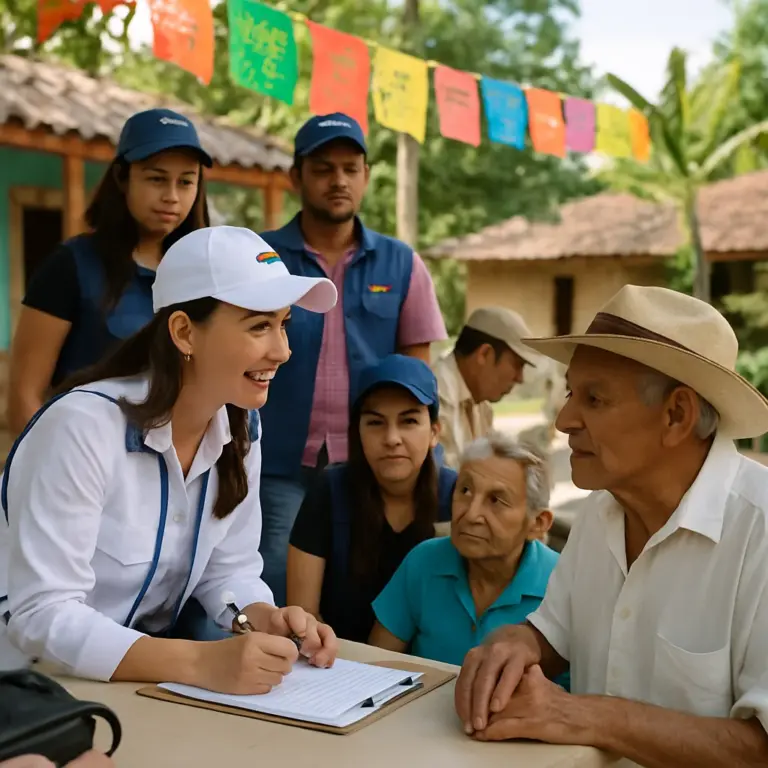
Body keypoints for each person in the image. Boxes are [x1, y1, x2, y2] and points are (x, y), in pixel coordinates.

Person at [1, 226, 339, 693]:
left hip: (125, 689)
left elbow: (229, 569)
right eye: (259, 326)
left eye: (283, 324)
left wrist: (262, 618)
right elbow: (41, 615)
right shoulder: (81, 427)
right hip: (27, 692)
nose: (283, 351)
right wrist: (201, 663)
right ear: (183, 332)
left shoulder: (241, 428)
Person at [454, 285, 768, 768]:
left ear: (676, 415)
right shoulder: (602, 509)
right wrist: (515, 642)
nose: (564, 420)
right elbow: (553, 635)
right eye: (570, 393)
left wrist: (582, 715)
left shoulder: (759, 530)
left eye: (594, 399)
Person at [256, 113, 448, 605]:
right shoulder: (261, 258)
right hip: (277, 463)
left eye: (350, 168)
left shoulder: (402, 263)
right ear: (296, 177)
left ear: (366, 176)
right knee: (279, 589)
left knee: (378, 588)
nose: (338, 180)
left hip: (372, 466)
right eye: (323, 168)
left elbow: (419, 375)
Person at [7, 107, 211, 436]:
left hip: (176, 459)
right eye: (156, 179)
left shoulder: (202, 274)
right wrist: (51, 459)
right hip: (82, 453)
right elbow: (23, 397)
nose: (172, 196)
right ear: (122, 177)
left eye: (186, 182)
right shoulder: (70, 265)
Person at [286, 355, 456, 643]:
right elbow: (304, 614)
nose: (392, 438)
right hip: (338, 659)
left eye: (409, 421)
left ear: (434, 432)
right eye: (376, 423)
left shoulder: (457, 496)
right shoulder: (330, 492)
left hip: (432, 664)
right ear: (358, 432)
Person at [370, 433, 558, 667]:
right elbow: (374, 666)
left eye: (496, 500)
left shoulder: (563, 585)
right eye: (465, 491)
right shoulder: (424, 561)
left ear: (537, 523)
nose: (470, 515)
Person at [433, 307, 536, 469]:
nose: (520, 378)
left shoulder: (481, 404)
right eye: (517, 365)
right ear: (484, 354)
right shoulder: (433, 397)